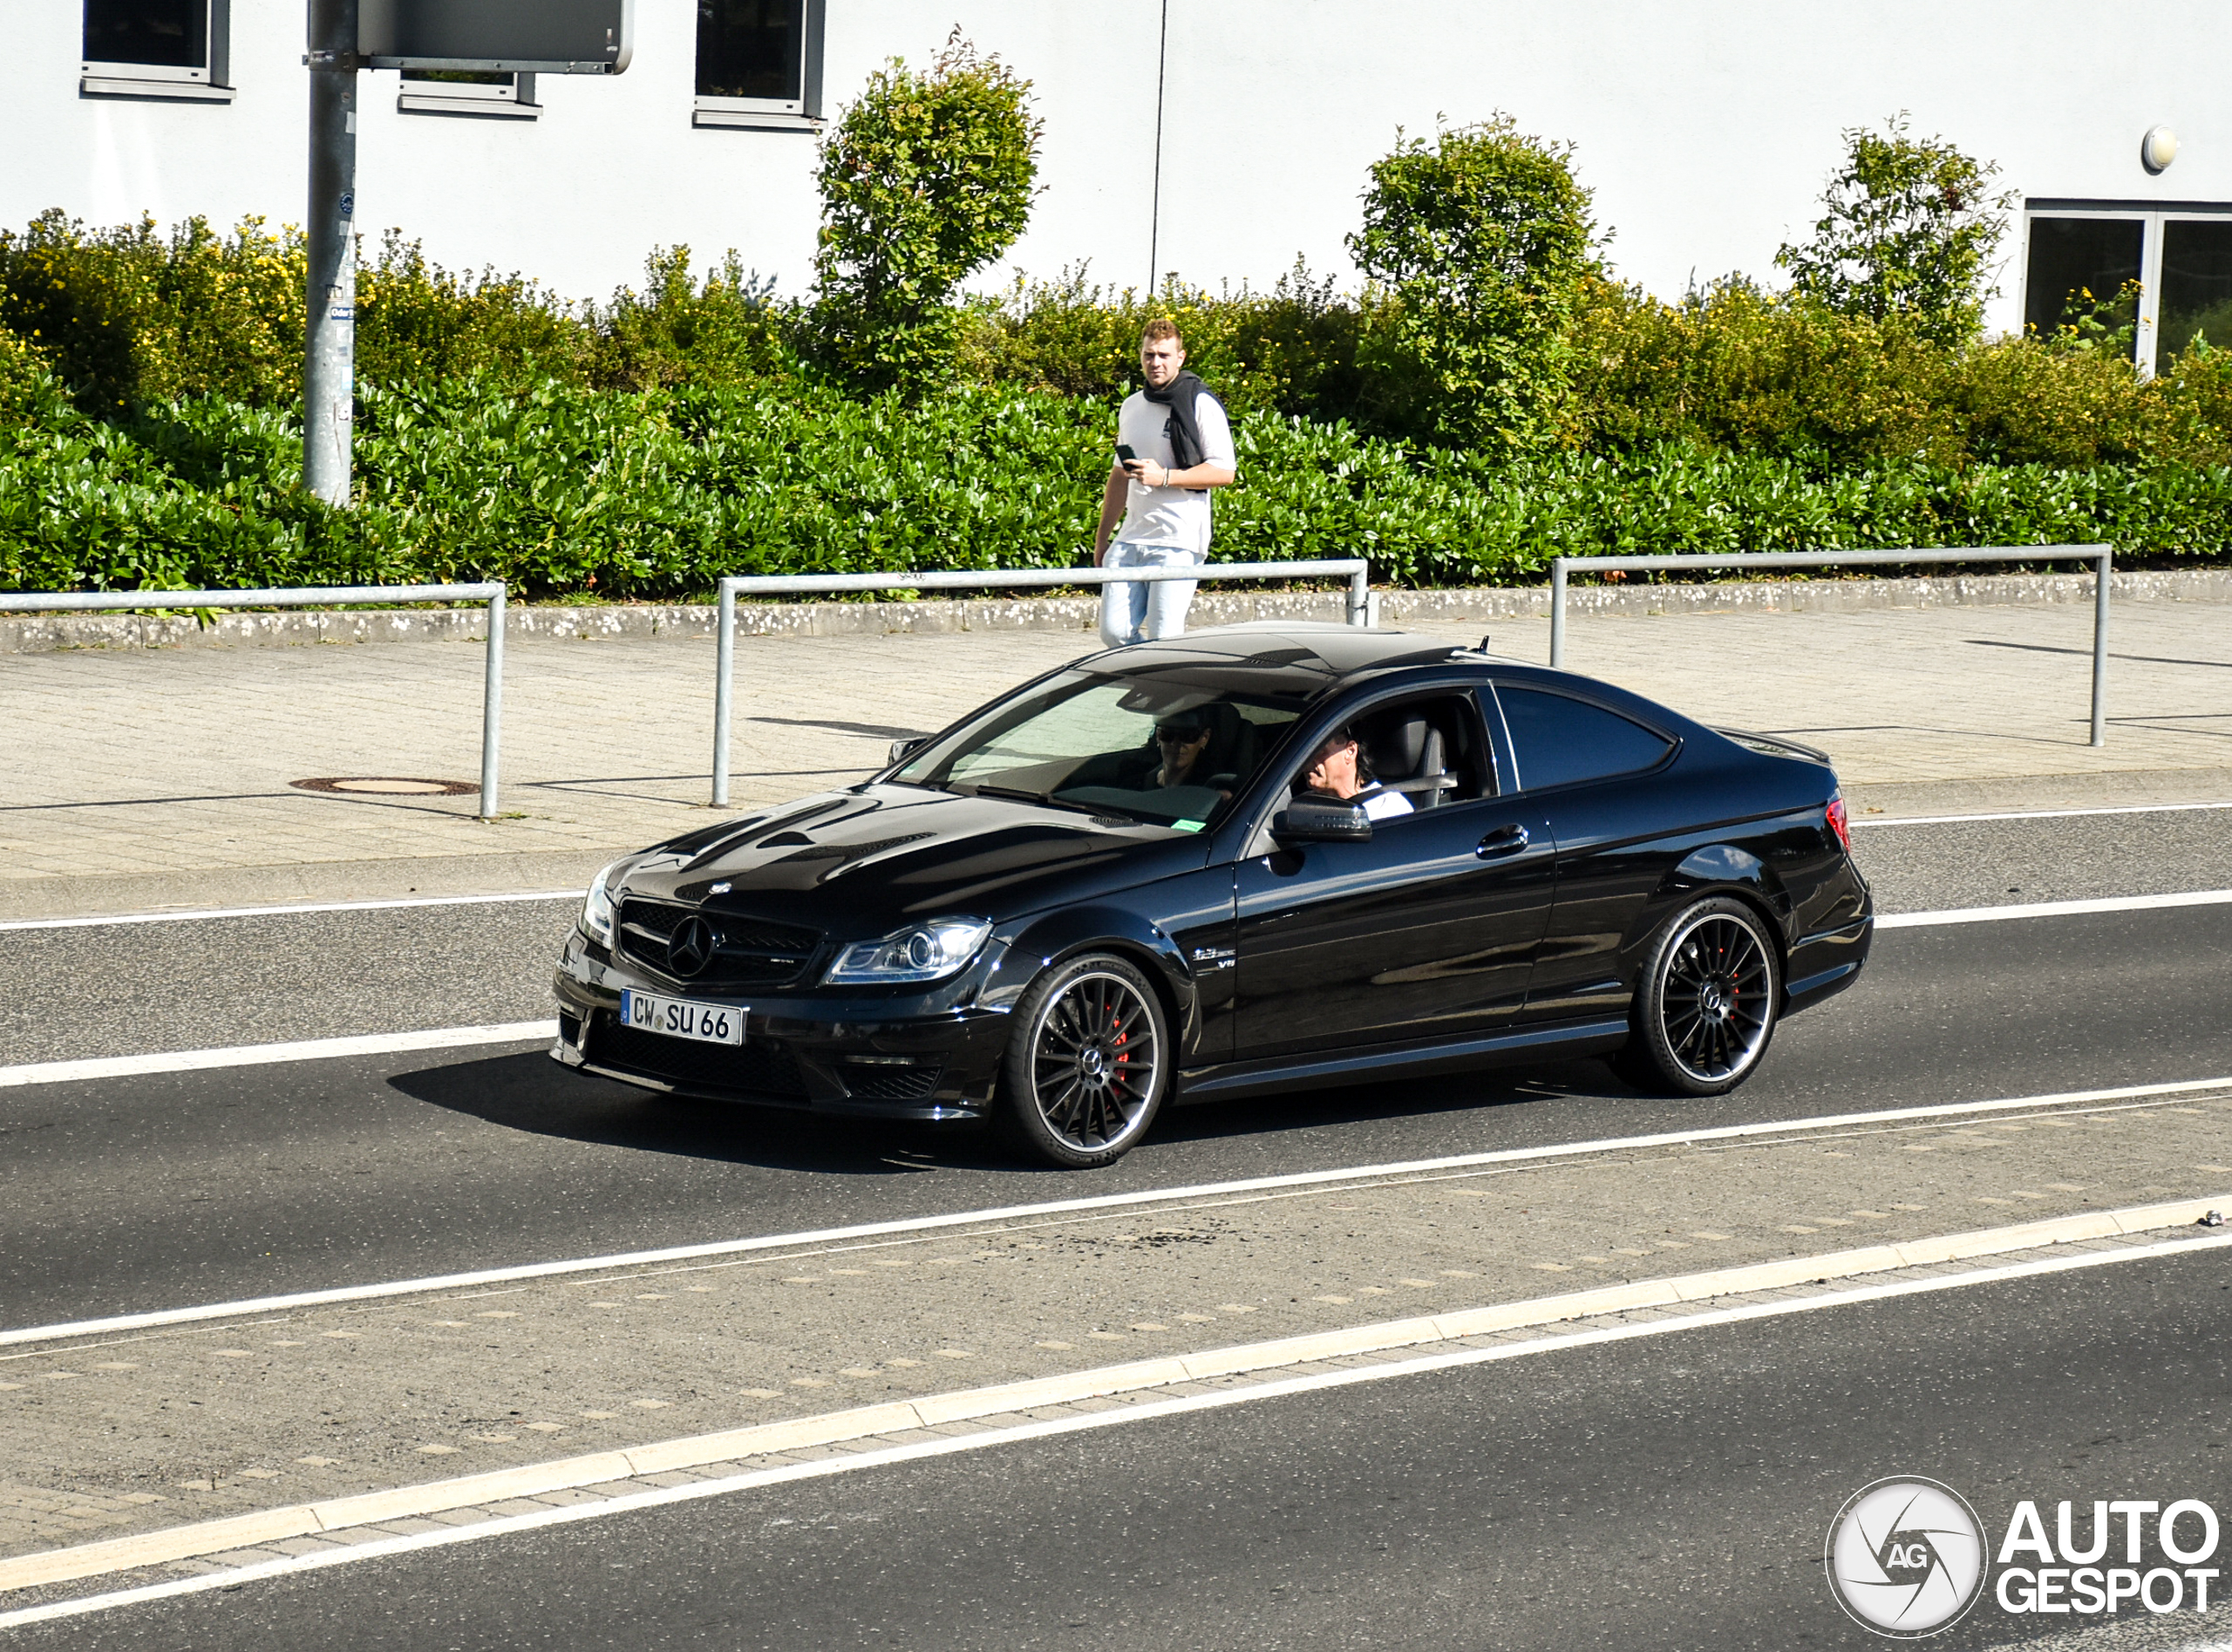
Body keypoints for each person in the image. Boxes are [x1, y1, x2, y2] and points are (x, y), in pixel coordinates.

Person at [1092, 320, 1238, 648]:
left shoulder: (1200, 404)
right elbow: (1119, 475)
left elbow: (1224, 471)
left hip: (1179, 542)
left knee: (1164, 638)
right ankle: (1152, 683)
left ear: (1180, 357)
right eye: (1149, 355)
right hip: (1131, 539)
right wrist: (1103, 539)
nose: (1155, 363)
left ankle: (1164, 691)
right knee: (1113, 633)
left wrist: (1167, 477)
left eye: (1163, 355)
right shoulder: (1131, 406)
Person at [1298, 724, 1412, 821]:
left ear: (1350, 751)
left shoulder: (1388, 808)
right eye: (1304, 755)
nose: (1306, 763)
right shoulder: (1302, 807)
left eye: (1319, 752)